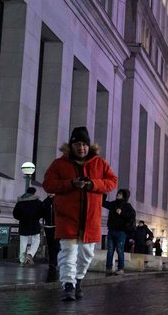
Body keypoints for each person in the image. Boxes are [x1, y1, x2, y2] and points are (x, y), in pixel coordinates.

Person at [43, 126, 118, 301]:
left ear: (88, 145)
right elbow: (48, 184)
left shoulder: (99, 163)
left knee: (86, 255)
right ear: (72, 145)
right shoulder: (59, 164)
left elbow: (112, 181)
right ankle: (68, 285)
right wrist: (71, 184)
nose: (81, 148)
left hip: (90, 219)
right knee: (68, 253)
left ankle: (78, 279)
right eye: (77, 144)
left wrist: (93, 184)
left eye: (84, 144)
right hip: (67, 218)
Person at [102, 189, 135, 275]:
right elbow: (103, 203)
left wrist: (122, 213)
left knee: (119, 250)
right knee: (110, 250)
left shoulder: (127, 206)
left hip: (121, 232)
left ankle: (120, 268)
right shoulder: (113, 204)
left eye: (120, 194)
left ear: (124, 196)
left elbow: (132, 216)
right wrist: (104, 193)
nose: (118, 195)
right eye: (118, 193)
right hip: (111, 230)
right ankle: (108, 268)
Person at [12, 187, 43, 266]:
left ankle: (22, 259)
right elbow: (42, 212)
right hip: (34, 224)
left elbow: (15, 214)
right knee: (36, 240)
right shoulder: (37, 202)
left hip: (23, 224)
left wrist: (22, 218)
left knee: (23, 241)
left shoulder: (20, 202)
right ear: (34, 193)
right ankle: (30, 254)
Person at [41, 194, 60, 277]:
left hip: (57, 226)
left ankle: (54, 262)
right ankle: (52, 262)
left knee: (56, 245)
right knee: (50, 245)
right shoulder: (46, 202)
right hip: (48, 226)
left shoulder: (59, 200)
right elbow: (42, 211)